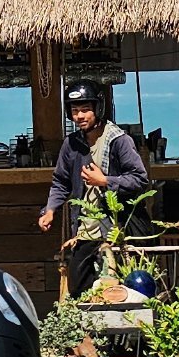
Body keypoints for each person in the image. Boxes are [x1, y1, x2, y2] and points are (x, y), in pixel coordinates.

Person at [38, 83, 148, 296]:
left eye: (85, 109)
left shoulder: (119, 140)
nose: (79, 116)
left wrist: (105, 181)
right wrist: (50, 209)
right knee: (79, 291)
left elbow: (140, 179)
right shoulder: (71, 143)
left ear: (98, 109)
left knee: (121, 293)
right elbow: (61, 181)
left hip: (118, 232)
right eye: (74, 110)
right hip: (85, 232)